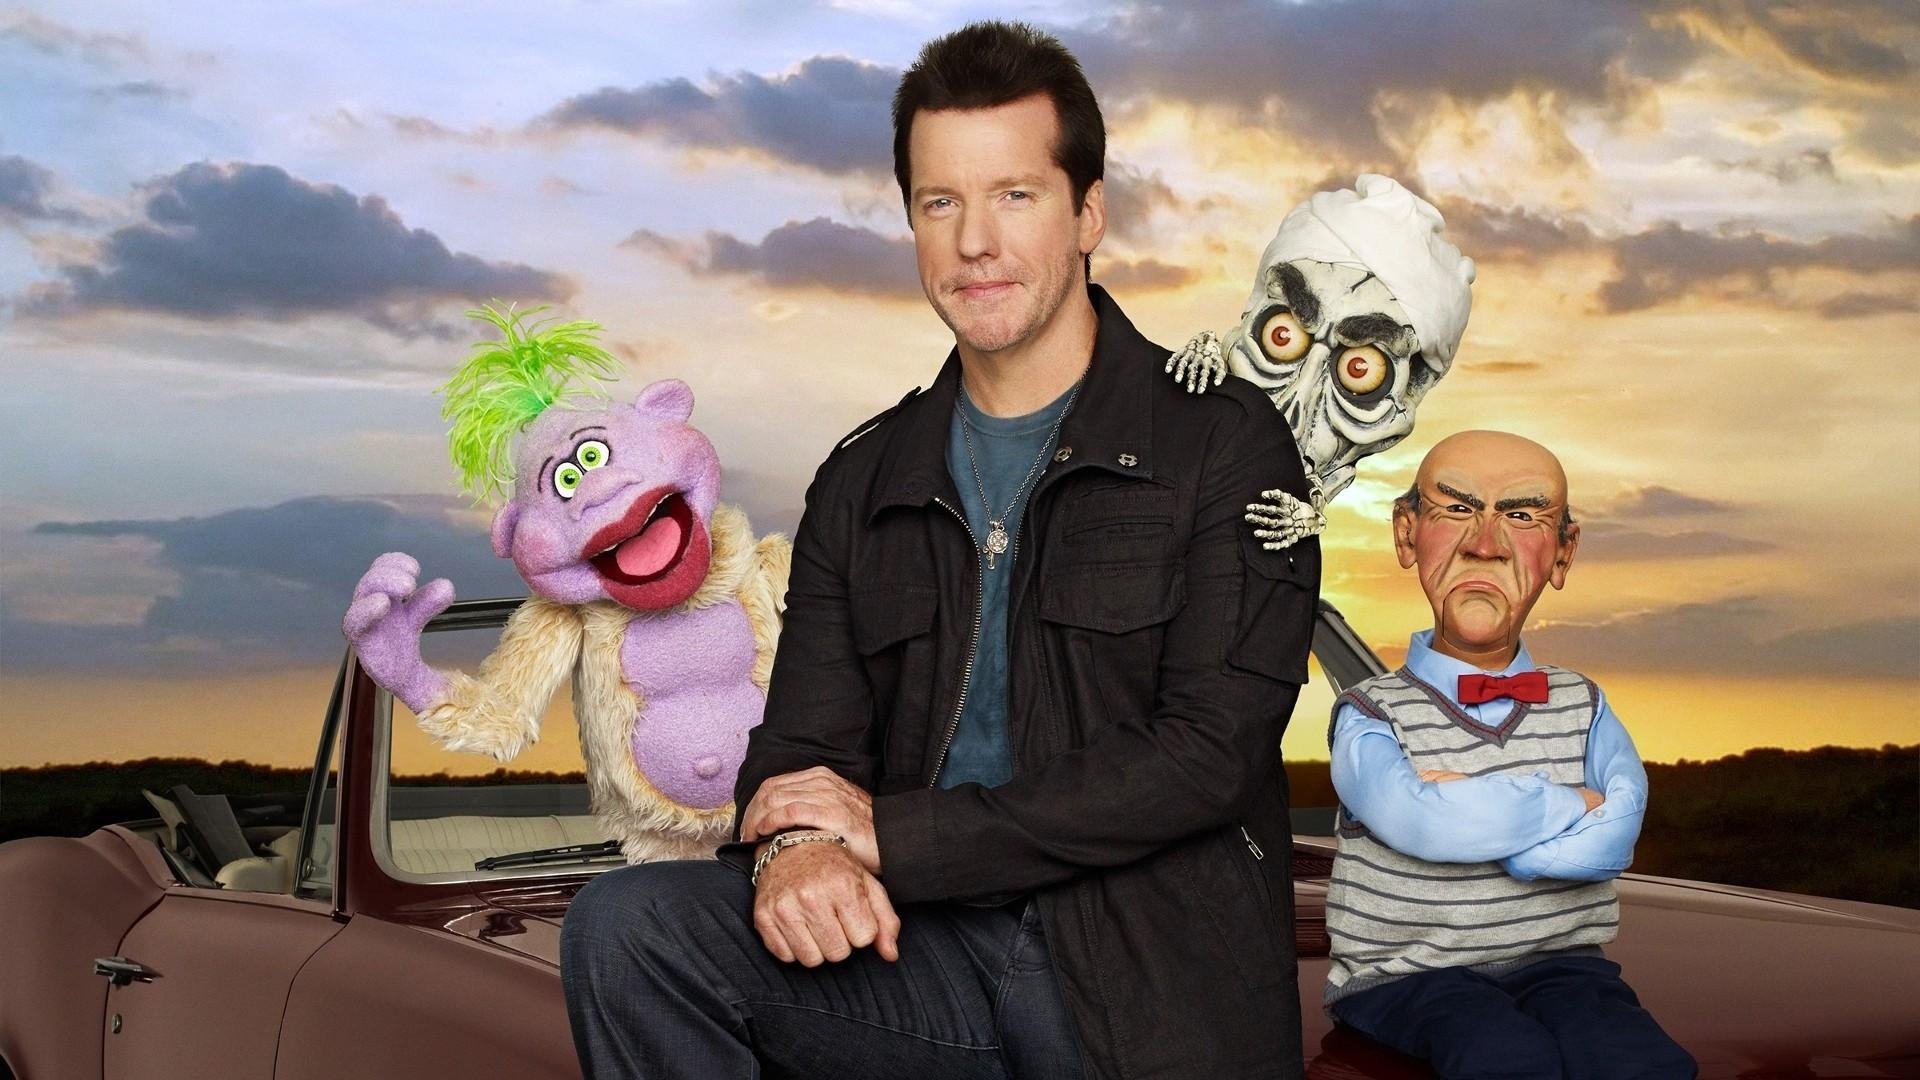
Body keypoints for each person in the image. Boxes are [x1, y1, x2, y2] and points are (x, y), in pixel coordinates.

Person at [561, 20, 1319, 1080]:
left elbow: (1207, 753)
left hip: (1145, 985)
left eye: (1015, 195)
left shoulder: (1224, 442)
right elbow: (802, 745)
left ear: (1088, 213)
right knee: (628, 929)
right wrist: (796, 851)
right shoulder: (865, 477)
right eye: (940, 203)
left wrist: (896, 838)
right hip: (920, 954)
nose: (975, 243)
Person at [1322, 429, 1695, 1079]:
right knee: (1505, 1058)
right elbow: (1424, 823)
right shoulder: (1368, 712)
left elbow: (1616, 832)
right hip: (1405, 975)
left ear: (1563, 552)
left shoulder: (1584, 701)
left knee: (1641, 1061)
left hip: (1564, 965)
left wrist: (1484, 820)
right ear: (1407, 534)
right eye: (1456, 509)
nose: (1485, 544)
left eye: (1522, 516)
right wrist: (1573, 803)